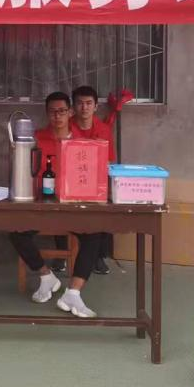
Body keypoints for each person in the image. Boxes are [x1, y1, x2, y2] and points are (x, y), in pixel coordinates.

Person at [8, 92, 103, 318]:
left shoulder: (83, 141)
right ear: (46, 114)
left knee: (94, 234)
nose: (57, 116)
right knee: (15, 230)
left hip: (72, 206)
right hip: (42, 206)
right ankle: (45, 276)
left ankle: (73, 293)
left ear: (70, 112)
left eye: (62, 111)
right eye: (52, 111)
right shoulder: (36, 139)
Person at [70, 85, 117, 276]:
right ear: (73, 106)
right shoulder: (66, 126)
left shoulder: (104, 129)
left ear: (96, 106)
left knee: (105, 207)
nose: (84, 107)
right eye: (80, 103)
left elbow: (108, 161)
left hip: (96, 181)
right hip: (70, 180)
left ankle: (99, 256)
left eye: (89, 103)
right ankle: (61, 254)